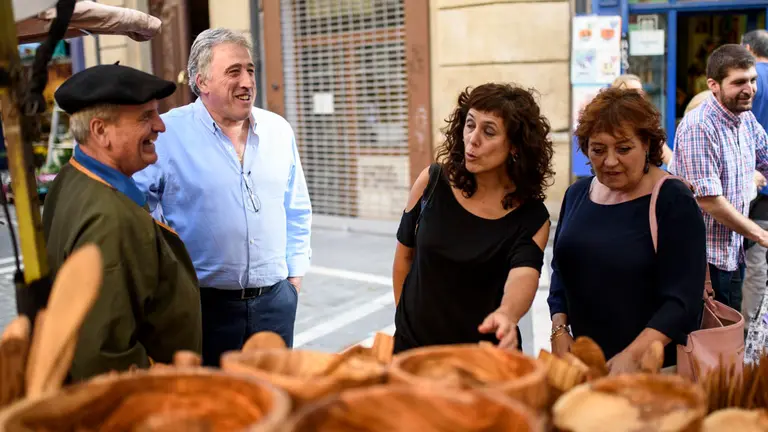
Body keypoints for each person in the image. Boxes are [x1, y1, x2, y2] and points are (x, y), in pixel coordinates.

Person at [133, 28, 312, 367]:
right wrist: (168, 278)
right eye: (234, 72)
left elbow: (296, 207)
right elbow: (137, 208)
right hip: (202, 307)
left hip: (275, 303)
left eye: (250, 70)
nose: (247, 81)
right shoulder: (168, 133)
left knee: (271, 404)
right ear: (202, 82)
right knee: (213, 409)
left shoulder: (278, 131)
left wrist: (294, 278)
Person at [43, 64, 203, 380]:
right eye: (145, 117)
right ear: (100, 131)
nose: (160, 126)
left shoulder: (72, 176)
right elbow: (107, 357)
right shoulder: (110, 218)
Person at [548, 87, 705, 373]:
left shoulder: (673, 199)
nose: (609, 161)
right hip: (583, 366)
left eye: (623, 148)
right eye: (598, 150)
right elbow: (561, 268)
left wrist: (633, 356)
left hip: (653, 371)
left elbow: (683, 301)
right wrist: (559, 329)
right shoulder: (577, 193)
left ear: (646, 144)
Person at [392, 83, 553, 353]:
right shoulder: (432, 182)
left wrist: (507, 314)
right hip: (412, 352)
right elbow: (403, 258)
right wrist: (404, 325)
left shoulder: (531, 217)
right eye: (470, 125)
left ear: (515, 146)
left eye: (488, 131)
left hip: (481, 362)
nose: (473, 139)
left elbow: (524, 275)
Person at [671, 44, 768, 313]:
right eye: (739, 82)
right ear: (713, 85)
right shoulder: (699, 126)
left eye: (752, 80)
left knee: (729, 341)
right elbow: (709, 201)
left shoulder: (745, 119)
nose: (749, 89)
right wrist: (760, 234)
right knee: (707, 345)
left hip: (733, 253)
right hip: (702, 263)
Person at [742, 30, 768, 330]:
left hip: (752, 186)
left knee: (752, 260)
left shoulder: (746, 78)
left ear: (747, 48)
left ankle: (748, 327)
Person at [611, 74, 674, 166]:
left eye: (640, 92)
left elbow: (662, 149)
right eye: (632, 92)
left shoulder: (647, 120)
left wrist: (676, 169)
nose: (638, 96)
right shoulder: (607, 120)